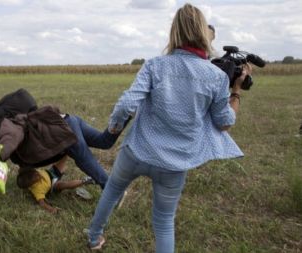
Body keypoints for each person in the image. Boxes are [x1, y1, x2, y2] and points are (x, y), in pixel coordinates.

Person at [86, 3, 252, 252]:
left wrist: (114, 127)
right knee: (163, 222)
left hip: (136, 151)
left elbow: (128, 103)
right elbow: (225, 122)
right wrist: (236, 91)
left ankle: (94, 238)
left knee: (111, 192)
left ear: (174, 31)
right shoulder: (217, 77)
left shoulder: (154, 65)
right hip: (174, 164)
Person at [0, 104, 131, 190]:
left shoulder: (16, 146)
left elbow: (15, 148)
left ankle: (113, 190)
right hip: (67, 119)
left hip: (62, 131)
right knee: (103, 141)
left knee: (84, 159)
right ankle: (125, 114)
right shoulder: (18, 127)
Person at [17, 156, 94, 214]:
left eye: (36, 173)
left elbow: (23, 165)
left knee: (62, 158)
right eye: (36, 177)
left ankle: (67, 150)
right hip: (53, 186)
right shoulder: (37, 190)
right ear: (31, 184)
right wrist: (51, 209)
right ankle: (85, 181)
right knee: (63, 185)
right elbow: (42, 203)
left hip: (51, 173)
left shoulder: (30, 172)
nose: (38, 175)